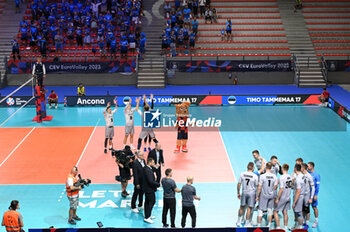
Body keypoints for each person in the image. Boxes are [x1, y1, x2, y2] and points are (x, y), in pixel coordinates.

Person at [236, 162, 258, 227]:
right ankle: (247, 223)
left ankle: (238, 221)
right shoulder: (255, 176)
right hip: (251, 193)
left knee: (241, 207)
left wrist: (238, 192)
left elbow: (239, 184)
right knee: (249, 208)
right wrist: (257, 196)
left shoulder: (242, 174)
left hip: (244, 192)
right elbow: (257, 186)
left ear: (247, 167)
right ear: (253, 168)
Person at [256, 162, 277, 228]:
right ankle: (269, 225)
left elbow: (259, 187)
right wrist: (275, 196)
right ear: (271, 168)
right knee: (270, 210)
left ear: (265, 167)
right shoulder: (274, 176)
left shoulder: (262, 176)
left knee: (260, 210)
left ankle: (259, 225)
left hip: (263, 195)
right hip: (271, 195)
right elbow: (275, 187)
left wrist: (257, 196)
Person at [274, 164, 292, 231]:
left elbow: (281, 189)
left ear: (283, 168)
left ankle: (278, 227)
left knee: (275, 211)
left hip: (282, 197)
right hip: (288, 197)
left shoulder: (282, 177)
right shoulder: (290, 177)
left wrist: (277, 198)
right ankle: (285, 227)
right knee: (285, 212)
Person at [143, 157, 160, 223]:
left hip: (147, 188)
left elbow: (153, 170)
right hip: (149, 189)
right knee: (152, 201)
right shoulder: (148, 170)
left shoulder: (147, 168)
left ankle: (148, 215)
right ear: (149, 162)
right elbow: (150, 181)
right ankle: (147, 217)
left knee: (147, 202)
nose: (154, 163)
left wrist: (156, 167)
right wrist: (158, 184)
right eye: (153, 162)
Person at [291, 163, 305, 230]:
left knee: (299, 213)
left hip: (298, 197)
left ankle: (300, 228)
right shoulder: (302, 175)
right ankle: (296, 226)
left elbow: (298, 192)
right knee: (296, 211)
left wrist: (294, 202)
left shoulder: (298, 179)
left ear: (295, 169)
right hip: (301, 196)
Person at [301, 163, 315, 229]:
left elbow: (313, 187)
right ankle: (303, 222)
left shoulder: (309, 176)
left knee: (307, 211)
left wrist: (311, 198)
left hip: (307, 196)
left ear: (303, 168)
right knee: (303, 210)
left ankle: (307, 224)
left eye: (301, 168)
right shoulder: (302, 175)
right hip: (302, 196)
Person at [307, 162, 320, 228]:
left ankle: (316, 221)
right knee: (306, 207)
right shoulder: (308, 173)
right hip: (307, 194)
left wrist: (316, 194)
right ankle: (306, 222)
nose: (307, 167)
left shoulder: (317, 175)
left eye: (308, 166)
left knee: (314, 207)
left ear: (312, 167)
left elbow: (317, 186)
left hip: (313, 194)